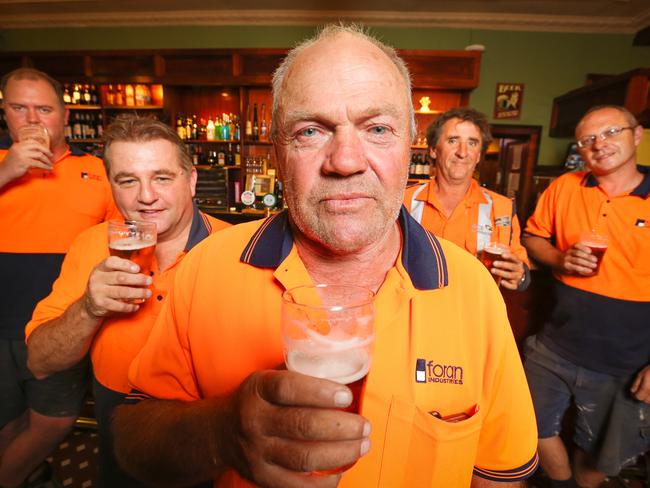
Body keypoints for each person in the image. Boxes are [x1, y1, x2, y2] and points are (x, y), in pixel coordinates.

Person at [112, 24, 538, 488]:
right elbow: (133, 440)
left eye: (377, 128)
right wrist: (221, 432)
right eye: (311, 130)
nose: (346, 160)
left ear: (410, 143)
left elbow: (499, 475)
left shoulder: (473, 291)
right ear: (276, 148)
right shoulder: (205, 267)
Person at [24, 114, 230, 487]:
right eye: (128, 180)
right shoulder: (89, 244)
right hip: (116, 417)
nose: (146, 196)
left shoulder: (235, 249)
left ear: (192, 179)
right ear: (112, 188)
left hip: (207, 419)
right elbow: (40, 361)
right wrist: (89, 308)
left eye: (162, 177)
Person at [0, 68, 120, 488]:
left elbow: (121, 235)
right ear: (5, 113)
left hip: (61, 322)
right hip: (0, 325)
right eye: (19, 108)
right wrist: (7, 172)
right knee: (7, 422)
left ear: (64, 116)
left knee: (55, 417)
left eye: (44, 109)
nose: (33, 121)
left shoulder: (96, 169)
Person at [522, 105, 650, 488]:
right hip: (554, 346)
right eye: (588, 139)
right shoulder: (564, 186)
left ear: (637, 135)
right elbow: (533, 237)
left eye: (611, 132)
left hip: (627, 361)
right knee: (528, 424)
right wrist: (560, 258)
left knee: (600, 455)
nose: (600, 144)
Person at [403, 108, 529, 290]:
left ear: (478, 155)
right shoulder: (404, 201)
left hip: (474, 314)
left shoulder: (502, 207)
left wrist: (520, 275)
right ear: (433, 150)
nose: (462, 152)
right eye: (452, 140)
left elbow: (521, 267)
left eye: (472, 143)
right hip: (415, 310)